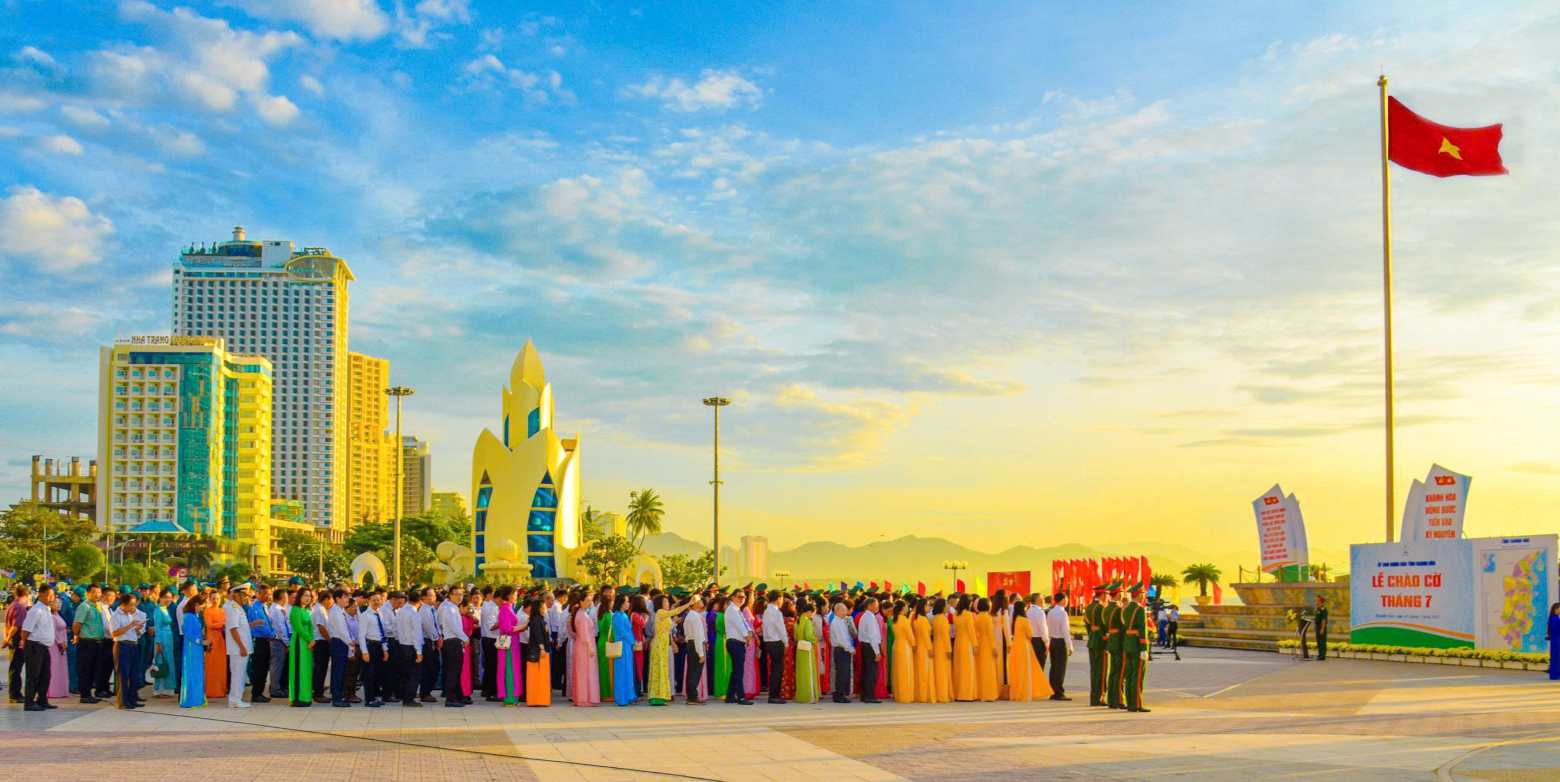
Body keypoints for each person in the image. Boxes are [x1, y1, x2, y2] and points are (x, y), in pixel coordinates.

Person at [109, 592, 146, 710]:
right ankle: (123, 702)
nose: (133, 607)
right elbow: (114, 633)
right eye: (131, 605)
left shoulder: (130, 615)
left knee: (134, 674)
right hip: (122, 646)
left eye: (134, 604)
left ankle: (132, 699)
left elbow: (132, 632)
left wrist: (138, 629)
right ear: (123, 604)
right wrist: (130, 625)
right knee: (123, 675)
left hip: (133, 645)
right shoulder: (115, 616)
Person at [72, 583, 107, 704]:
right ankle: (85, 695)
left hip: (97, 642)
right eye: (94, 592)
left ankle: (89, 694)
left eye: (99, 592)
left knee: (94, 670)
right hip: (87, 642)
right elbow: (77, 624)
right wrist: (77, 635)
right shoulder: (84, 606)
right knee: (85, 670)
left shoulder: (98, 606)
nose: (97, 595)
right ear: (88, 593)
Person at [391, 591, 424, 707]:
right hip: (411, 646)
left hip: (401, 645)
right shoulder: (414, 614)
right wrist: (419, 651)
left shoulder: (400, 611)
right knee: (414, 674)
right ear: (420, 601)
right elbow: (416, 634)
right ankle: (409, 698)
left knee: (405, 673)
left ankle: (404, 695)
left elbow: (395, 629)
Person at [223, 583, 254, 709]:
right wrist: (241, 646)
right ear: (236, 595)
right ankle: (235, 700)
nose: (246, 598)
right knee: (238, 675)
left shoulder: (238, 607)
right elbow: (233, 629)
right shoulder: (232, 608)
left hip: (242, 647)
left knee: (240, 675)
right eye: (244, 595)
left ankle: (236, 699)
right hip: (238, 649)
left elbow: (241, 627)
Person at [438, 586, 469, 707]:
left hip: (452, 641)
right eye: (456, 594)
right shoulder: (449, 608)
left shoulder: (450, 606)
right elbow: (453, 627)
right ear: (450, 595)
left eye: (461, 594)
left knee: (455, 671)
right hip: (452, 642)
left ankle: (457, 696)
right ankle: (451, 699)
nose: (459, 597)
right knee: (453, 671)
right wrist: (465, 638)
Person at [358, 590, 390, 708]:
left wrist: (385, 649)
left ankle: (375, 697)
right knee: (369, 674)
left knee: (377, 674)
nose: (376, 602)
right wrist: (364, 652)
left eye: (378, 600)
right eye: (374, 600)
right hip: (370, 646)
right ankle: (369, 699)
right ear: (369, 601)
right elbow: (361, 635)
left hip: (379, 646)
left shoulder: (380, 613)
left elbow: (382, 633)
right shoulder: (365, 615)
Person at [1123, 585, 1150, 712]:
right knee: (1137, 676)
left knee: (1129, 675)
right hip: (1137, 646)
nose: (1144, 596)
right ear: (1139, 595)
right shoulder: (1139, 609)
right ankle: (1136, 704)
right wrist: (1144, 648)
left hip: (1127, 644)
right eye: (1143, 594)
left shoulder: (1125, 608)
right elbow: (1142, 629)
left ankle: (1129, 703)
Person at [287, 588, 316, 708]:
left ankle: (306, 697)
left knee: (306, 670)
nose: (308, 598)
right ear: (299, 596)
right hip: (299, 642)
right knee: (299, 669)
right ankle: (297, 698)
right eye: (305, 595)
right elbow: (298, 628)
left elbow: (310, 627)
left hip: (308, 643)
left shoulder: (306, 610)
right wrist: (310, 639)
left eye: (309, 596)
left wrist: (312, 640)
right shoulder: (295, 610)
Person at [495, 588, 524, 705]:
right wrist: (523, 626)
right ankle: (509, 698)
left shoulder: (509, 608)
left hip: (513, 642)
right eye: (514, 594)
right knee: (509, 669)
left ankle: (513, 697)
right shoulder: (505, 609)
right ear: (508, 595)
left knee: (513, 669)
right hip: (509, 644)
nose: (516, 596)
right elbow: (507, 629)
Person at [245, 585, 273, 703]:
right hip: (259, 640)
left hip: (266, 640)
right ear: (258, 594)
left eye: (269, 593)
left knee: (264, 667)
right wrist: (272, 634)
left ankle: (260, 692)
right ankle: (256, 694)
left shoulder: (264, 606)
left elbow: (268, 623)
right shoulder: (255, 608)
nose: (268, 596)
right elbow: (261, 627)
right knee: (259, 668)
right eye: (265, 593)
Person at [570, 594, 599, 706]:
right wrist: (590, 647)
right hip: (585, 646)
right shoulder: (582, 615)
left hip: (582, 645)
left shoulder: (581, 613)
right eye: (587, 600)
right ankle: (584, 699)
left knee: (583, 671)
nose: (589, 603)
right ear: (581, 602)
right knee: (585, 672)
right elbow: (584, 634)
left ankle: (582, 698)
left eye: (590, 600)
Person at [179, 593, 207, 708]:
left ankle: (197, 698)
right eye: (202, 605)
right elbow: (188, 634)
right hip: (191, 648)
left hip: (197, 648)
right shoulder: (188, 616)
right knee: (191, 673)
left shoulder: (194, 616)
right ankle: (190, 700)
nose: (203, 608)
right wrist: (201, 641)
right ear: (196, 604)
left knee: (197, 673)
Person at [523, 598, 551, 707]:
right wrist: (542, 648)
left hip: (539, 650)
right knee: (538, 676)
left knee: (540, 676)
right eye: (543, 607)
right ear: (538, 608)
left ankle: (539, 699)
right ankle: (537, 699)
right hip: (538, 651)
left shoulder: (539, 619)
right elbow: (538, 635)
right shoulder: (536, 620)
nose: (545, 609)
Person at [1045, 592, 1073, 700]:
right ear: (1063, 600)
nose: (1067, 601)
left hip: (1053, 641)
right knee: (1060, 668)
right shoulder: (1063, 613)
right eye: (1066, 599)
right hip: (1061, 642)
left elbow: (1047, 627)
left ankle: (1052, 691)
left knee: (1054, 667)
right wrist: (1070, 646)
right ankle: (1059, 692)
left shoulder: (1051, 612)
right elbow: (1065, 631)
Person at [761, 590, 787, 704]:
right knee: (778, 670)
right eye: (781, 599)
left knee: (775, 669)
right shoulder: (776, 612)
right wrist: (786, 642)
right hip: (776, 642)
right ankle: (774, 695)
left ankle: (773, 694)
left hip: (768, 642)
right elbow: (781, 629)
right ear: (778, 599)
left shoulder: (767, 611)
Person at [610, 595, 636, 706]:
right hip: (622, 646)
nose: (628, 603)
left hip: (626, 646)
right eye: (627, 601)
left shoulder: (623, 615)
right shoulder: (617, 616)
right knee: (621, 672)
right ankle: (621, 698)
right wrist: (633, 641)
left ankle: (628, 695)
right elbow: (622, 632)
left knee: (628, 671)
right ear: (621, 603)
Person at [150, 590, 177, 698]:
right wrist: (158, 642)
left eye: (170, 597)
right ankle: (159, 690)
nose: (168, 599)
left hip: (169, 639)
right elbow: (158, 627)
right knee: (161, 662)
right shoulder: (158, 610)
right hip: (162, 639)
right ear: (160, 598)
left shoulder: (164, 609)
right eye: (165, 597)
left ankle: (167, 689)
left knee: (168, 662)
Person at [827, 602, 856, 703]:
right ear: (837, 611)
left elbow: (848, 636)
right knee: (842, 673)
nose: (845, 612)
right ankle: (839, 695)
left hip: (843, 649)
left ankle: (840, 694)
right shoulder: (836, 622)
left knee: (843, 673)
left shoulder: (841, 621)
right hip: (841, 649)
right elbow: (842, 639)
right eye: (843, 610)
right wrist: (850, 649)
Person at [1086, 586, 1108, 706]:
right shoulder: (1101, 608)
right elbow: (1104, 627)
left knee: (1094, 671)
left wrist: (1092, 632)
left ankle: (1094, 698)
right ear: (1103, 594)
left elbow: (1088, 625)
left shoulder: (1089, 607)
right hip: (1100, 643)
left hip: (1092, 641)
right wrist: (1105, 637)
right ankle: (1099, 697)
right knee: (1101, 671)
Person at [682, 596, 707, 704]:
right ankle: (692, 696)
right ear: (695, 604)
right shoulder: (695, 616)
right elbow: (698, 636)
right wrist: (701, 653)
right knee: (695, 672)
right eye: (699, 600)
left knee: (692, 671)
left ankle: (691, 696)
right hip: (695, 644)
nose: (702, 602)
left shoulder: (691, 615)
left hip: (691, 644)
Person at [267, 589, 292, 699]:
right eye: (286, 596)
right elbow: (280, 628)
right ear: (282, 597)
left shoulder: (278, 608)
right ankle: (275, 690)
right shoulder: (276, 610)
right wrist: (287, 643)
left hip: (279, 641)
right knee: (277, 666)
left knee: (278, 665)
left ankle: (276, 688)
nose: (287, 599)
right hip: (278, 641)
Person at [1105, 586, 1126, 710]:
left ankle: (1111, 699)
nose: (1122, 595)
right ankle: (1118, 700)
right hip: (1118, 642)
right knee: (1119, 673)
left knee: (1113, 672)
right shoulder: (1118, 609)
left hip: (1111, 641)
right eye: (1121, 592)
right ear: (1118, 594)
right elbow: (1123, 627)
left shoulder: (1106, 608)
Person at [204, 588, 227, 700]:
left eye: (217, 598)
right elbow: (209, 625)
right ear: (210, 599)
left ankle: (221, 690)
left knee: (221, 666)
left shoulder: (222, 610)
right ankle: (211, 691)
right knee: (212, 665)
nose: (215, 600)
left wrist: (220, 624)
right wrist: (222, 624)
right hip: (212, 640)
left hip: (221, 640)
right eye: (213, 598)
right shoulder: (207, 611)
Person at [891, 603, 915, 703]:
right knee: (905, 672)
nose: (907, 609)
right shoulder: (904, 619)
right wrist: (914, 644)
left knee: (898, 671)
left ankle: (898, 694)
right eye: (906, 607)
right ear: (901, 609)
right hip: (905, 646)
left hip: (896, 645)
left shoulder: (894, 619)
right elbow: (909, 634)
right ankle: (905, 695)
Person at [1314, 595, 1329, 662]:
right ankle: (1320, 655)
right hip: (1317, 627)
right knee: (1319, 641)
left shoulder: (1323, 609)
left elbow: (1323, 620)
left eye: (1317, 600)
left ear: (1320, 601)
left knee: (1322, 641)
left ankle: (1322, 656)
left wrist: (1322, 629)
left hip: (1321, 627)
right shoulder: (1318, 608)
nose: (1316, 601)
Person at [1547, 602, 1559, 681]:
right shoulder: (1554, 619)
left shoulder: (1555, 618)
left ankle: (1556, 674)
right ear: (1556, 609)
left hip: (1556, 639)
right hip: (1556, 640)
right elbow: (1556, 629)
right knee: (1556, 657)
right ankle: (1554, 675)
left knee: (1557, 657)